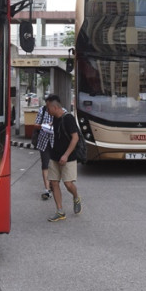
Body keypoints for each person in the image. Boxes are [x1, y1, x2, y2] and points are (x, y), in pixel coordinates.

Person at [44, 94, 81, 222]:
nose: (47, 110)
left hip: (68, 157)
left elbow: (75, 138)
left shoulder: (68, 118)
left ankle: (76, 196)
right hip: (55, 156)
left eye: (48, 108)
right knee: (54, 183)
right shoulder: (55, 118)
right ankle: (60, 211)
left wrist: (66, 155)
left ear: (55, 107)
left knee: (68, 184)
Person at [33, 104, 54, 200]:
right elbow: (36, 125)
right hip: (44, 141)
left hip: (56, 142)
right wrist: (44, 126)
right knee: (45, 165)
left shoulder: (62, 111)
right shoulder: (42, 110)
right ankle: (47, 189)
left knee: (55, 165)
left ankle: (53, 183)